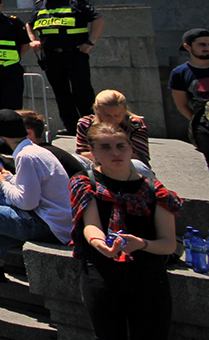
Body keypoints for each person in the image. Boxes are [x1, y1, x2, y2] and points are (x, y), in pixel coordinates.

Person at [70, 121, 183, 340]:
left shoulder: (156, 190)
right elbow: (91, 225)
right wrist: (100, 244)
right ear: (92, 152)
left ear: (131, 149)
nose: (115, 153)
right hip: (101, 273)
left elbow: (168, 244)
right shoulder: (84, 182)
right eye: (105, 147)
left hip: (148, 277)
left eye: (121, 146)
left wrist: (141, 244)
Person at [0, 108, 73, 310]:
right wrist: (9, 178)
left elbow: (27, 202)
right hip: (54, 225)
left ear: (1, 136)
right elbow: (32, 190)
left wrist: (1, 183)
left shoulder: (26, 156)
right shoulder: (36, 151)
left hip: (44, 224)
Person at [28, 0, 104, 135]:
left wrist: (90, 42)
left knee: (82, 92)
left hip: (74, 55)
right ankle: (71, 127)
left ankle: (91, 127)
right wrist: (32, 40)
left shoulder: (76, 1)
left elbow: (97, 19)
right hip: (51, 56)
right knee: (61, 93)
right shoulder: (41, 4)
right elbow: (29, 24)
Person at [75, 89, 150, 166]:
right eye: (107, 115)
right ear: (97, 109)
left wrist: (104, 154)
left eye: (118, 115)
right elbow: (82, 153)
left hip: (126, 164)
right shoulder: (85, 124)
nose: (112, 120)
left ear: (125, 110)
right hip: (96, 163)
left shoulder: (135, 124)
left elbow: (141, 157)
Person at [169, 27, 209, 170]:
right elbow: (182, 105)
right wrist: (198, 122)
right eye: (202, 44)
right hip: (204, 128)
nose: (207, 48)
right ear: (188, 46)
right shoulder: (180, 73)